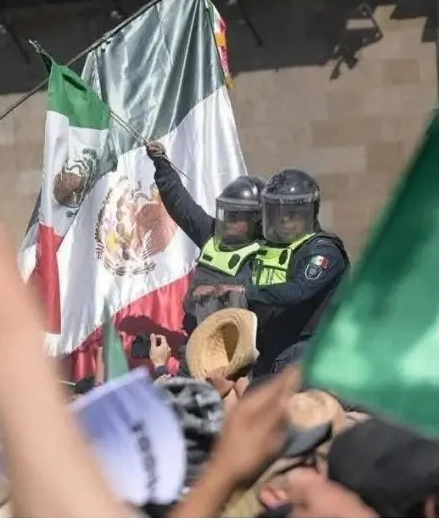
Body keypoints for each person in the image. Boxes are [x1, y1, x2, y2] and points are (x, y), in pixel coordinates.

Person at [220, 169, 349, 376]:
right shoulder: (270, 248)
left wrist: (245, 291)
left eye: (292, 214)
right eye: (277, 214)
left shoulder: (323, 250)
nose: (284, 221)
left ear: (310, 212)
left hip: (307, 348)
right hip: (270, 346)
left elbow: (298, 291)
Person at [145, 142, 266, 334]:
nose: (228, 220)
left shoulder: (267, 254)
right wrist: (162, 165)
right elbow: (181, 205)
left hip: (241, 345)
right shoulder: (211, 233)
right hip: (198, 340)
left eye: (237, 216)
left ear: (257, 221)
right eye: (226, 213)